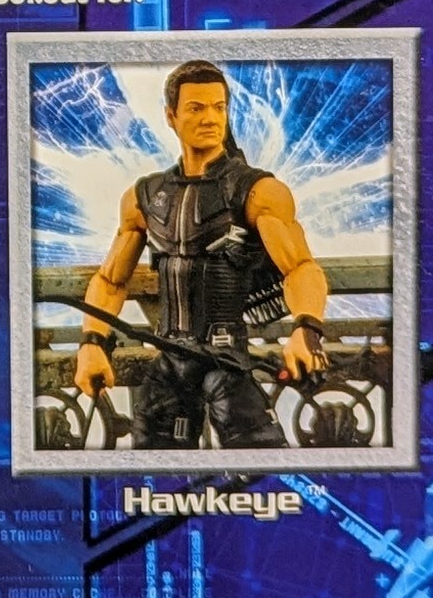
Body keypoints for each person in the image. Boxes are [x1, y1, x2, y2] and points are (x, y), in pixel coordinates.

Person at [74, 58, 329, 451]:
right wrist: (92, 343)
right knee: (153, 467)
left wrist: (306, 330)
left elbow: (301, 267)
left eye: (218, 107)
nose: (210, 118)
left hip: (226, 361)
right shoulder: (145, 196)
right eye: (196, 108)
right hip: (169, 362)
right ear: (171, 117)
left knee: (259, 463)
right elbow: (110, 280)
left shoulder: (258, 191)